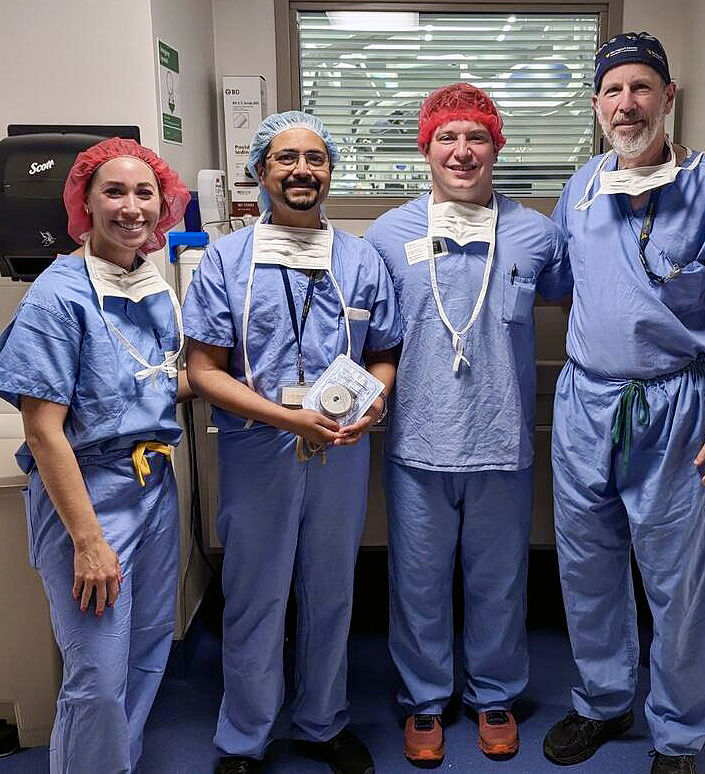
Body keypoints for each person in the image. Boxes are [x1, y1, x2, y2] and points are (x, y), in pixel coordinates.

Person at [542, 32, 705, 774]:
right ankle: (603, 702)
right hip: (584, 402)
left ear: (667, 98)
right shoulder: (579, 187)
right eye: (612, 90)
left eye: (641, 88)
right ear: (595, 105)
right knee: (587, 564)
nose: (626, 103)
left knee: (679, 575)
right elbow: (554, 278)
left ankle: (676, 733)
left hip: (675, 406)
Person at [183, 111, 402, 774]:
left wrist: (376, 398)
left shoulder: (361, 259)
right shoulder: (226, 259)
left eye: (315, 158)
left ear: (330, 170)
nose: (302, 169)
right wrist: (287, 421)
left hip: (339, 444)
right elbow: (202, 371)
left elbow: (385, 350)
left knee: (331, 589)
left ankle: (322, 720)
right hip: (259, 448)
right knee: (257, 594)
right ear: (260, 171)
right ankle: (245, 736)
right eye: (286, 158)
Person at [364, 83, 571, 766]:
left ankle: (494, 694)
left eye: (476, 138)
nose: (461, 151)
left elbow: (572, 297)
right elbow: (370, 334)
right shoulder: (388, 235)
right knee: (417, 581)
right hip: (418, 441)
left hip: (501, 440)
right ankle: (424, 700)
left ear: (496, 148)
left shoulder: (535, 233)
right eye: (447, 138)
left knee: (498, 580)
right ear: (425, 147)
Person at [0, 138, 192, 773]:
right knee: (98, 675)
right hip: (90, 498)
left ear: (163, 204)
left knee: (144, 654)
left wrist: (259, 394)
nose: (132, 207)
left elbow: (157, 379)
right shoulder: (59, 297)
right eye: (114, 191)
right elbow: (44, 431)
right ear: (83, 203)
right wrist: (87, 540)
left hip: (154, 488)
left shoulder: (148, 282)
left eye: (145, 193)